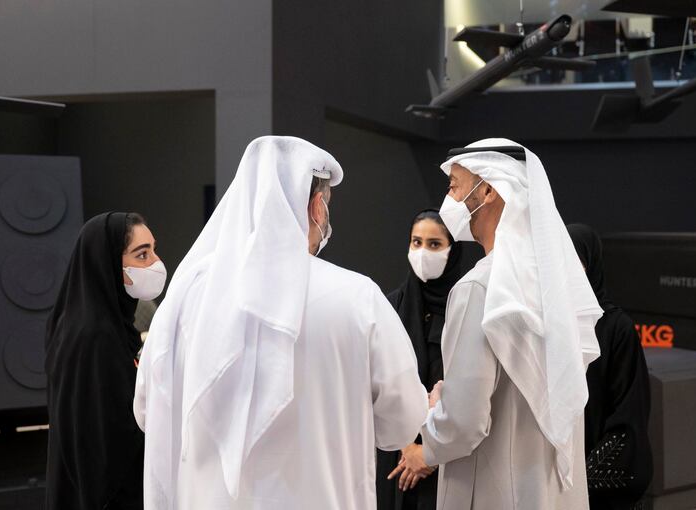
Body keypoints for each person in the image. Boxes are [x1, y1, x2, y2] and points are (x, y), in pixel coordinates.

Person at [134, 136, 428, 510]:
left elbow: (148, 412)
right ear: (317, 206)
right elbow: (400, 426)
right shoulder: (359, 297)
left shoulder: (185, 295)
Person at [392, 139, 603, 510]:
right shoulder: (553, 284)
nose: (451, 199)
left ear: (487, 189)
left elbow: (464, 422)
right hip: (550, 491)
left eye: (455, 185)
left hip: (496, 491)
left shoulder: (479, 287)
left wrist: (434, 410)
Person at [46, 212, 167, 510]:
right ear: (109, 262)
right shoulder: (95, 337)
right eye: (142, 254)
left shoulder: (92, 323)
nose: (155, 262)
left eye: (153, 249)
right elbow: (106, 437)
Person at [377, 209, 467, 510]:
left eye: (434, 244)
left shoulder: (467, 308)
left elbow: (474, 392)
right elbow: (378, 383)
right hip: (396, 457)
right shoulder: (390, 306)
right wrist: (407, 446)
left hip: (451, 460)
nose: (422, 252)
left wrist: (428, 453)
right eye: (416, 243)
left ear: (453, 251)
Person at [567, 224, 653, 510]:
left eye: (572, 260)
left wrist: (581, 479)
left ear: (590, 264)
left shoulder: (617, 328)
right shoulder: (542, 327)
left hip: (595, 489)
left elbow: (628, 416)